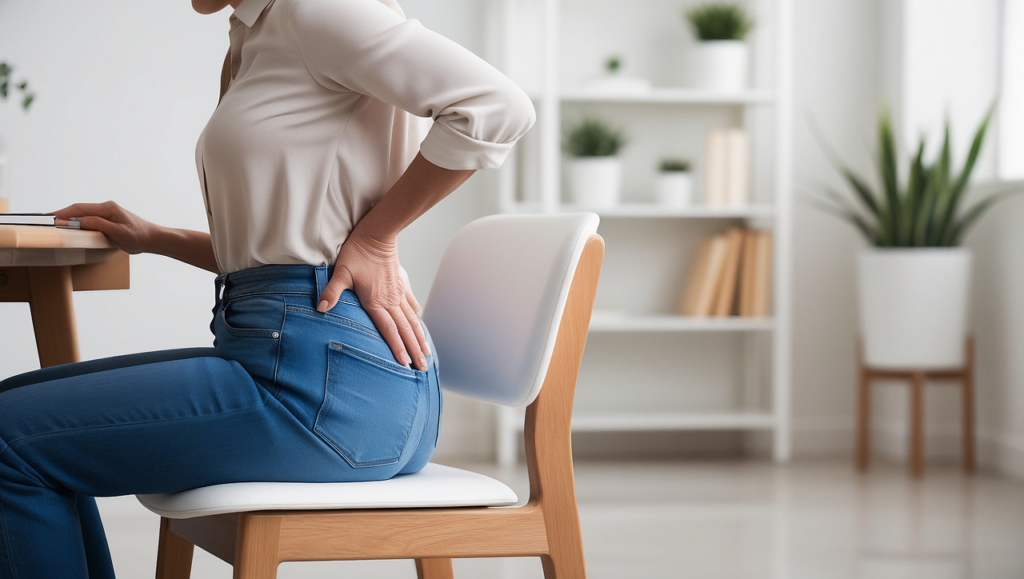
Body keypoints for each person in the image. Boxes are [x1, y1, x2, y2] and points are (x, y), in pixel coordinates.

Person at [0, 0, 535, 575]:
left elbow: (498, 106)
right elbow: (289, 246)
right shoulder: (256, 35)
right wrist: (155, 236)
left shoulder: (319, 10)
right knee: (14, 413)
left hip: (327, 389)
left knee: (9, 439)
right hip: (325, 369)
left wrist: (378, 238)